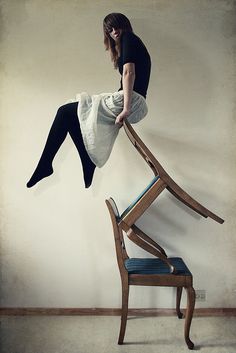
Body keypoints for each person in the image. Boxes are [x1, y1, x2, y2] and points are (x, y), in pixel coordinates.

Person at [26, 13, 151, 188]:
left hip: (132, 101)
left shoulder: (128, 37)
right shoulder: (125, 44)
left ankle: (48, 164)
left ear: (125, 26)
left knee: (64, 112)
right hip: (135, 101)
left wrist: (126, 108)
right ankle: (85, 160)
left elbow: (129, 73)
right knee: (69, 114)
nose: (114, 31)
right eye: (110, 29)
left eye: (117, 26)